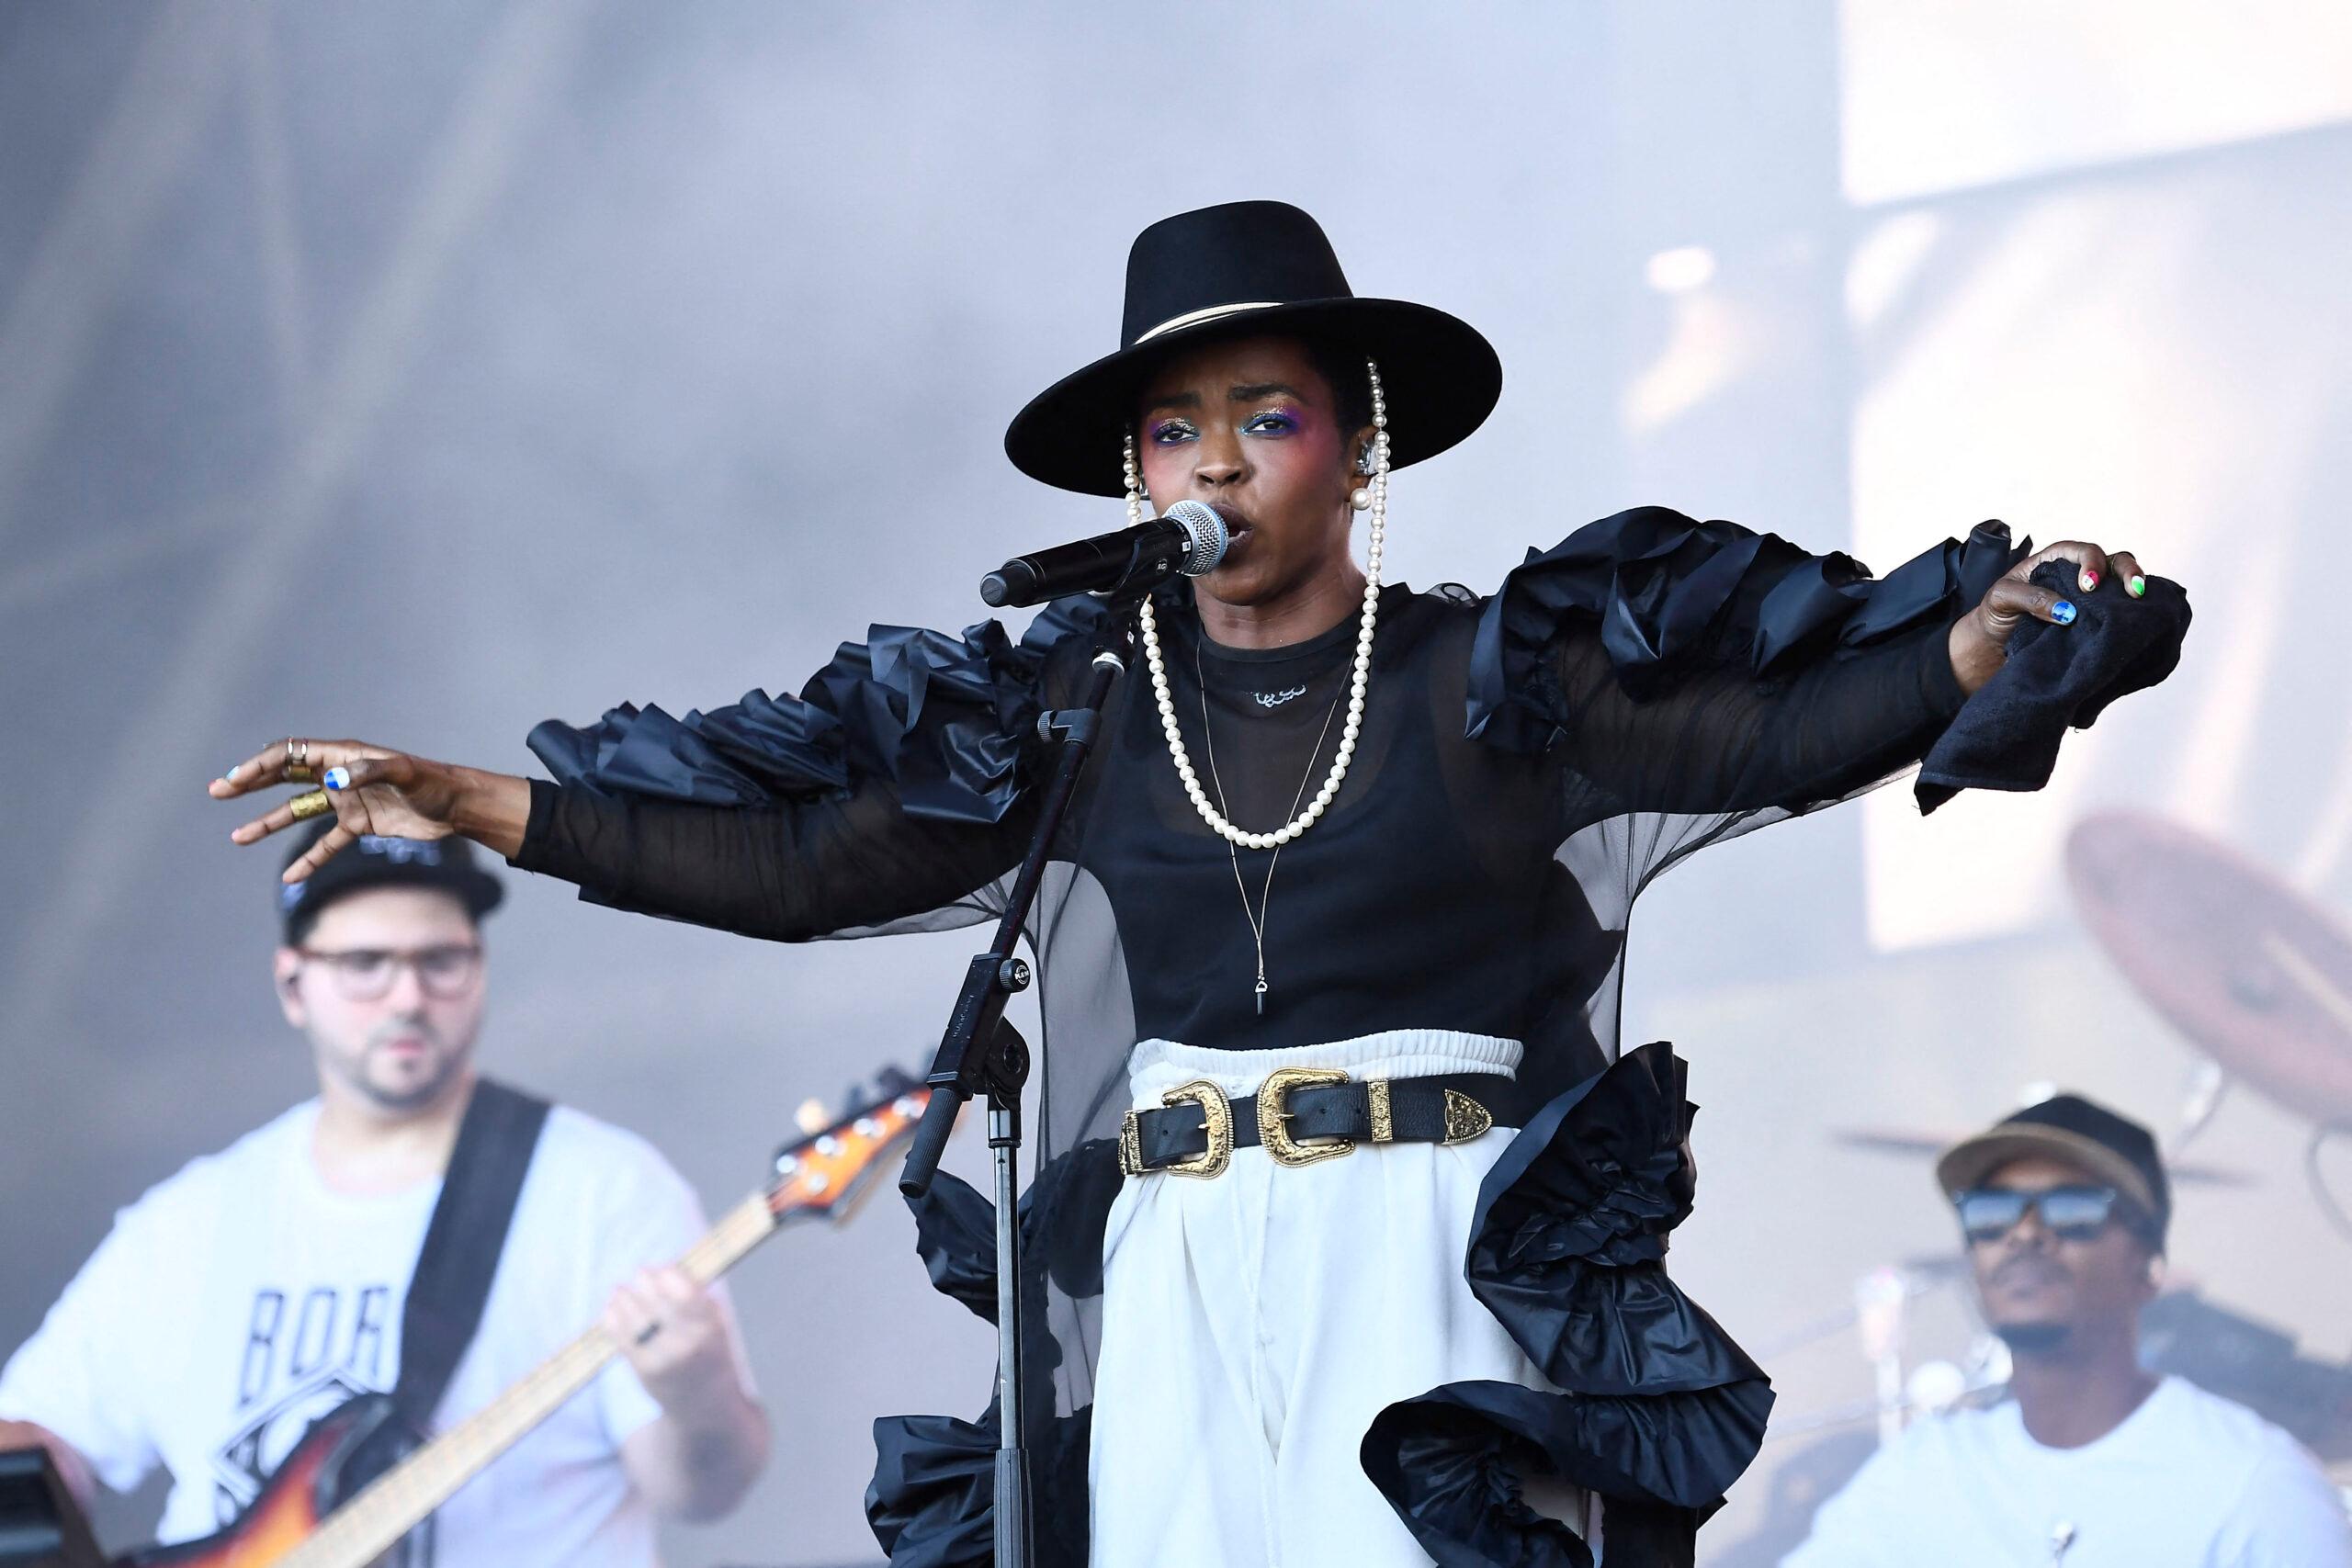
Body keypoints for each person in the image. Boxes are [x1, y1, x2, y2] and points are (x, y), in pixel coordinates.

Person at [206, 202, 2184, 1566]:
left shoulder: (1490, 676)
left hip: (1427, 1260)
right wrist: (467, 799)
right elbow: (806, 859)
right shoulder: (1071, 709)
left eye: (1264, 414)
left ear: (1353, 444)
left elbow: (1765, 737)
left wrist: (1957, 658)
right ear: (1132, 475)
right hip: (1169, 1273)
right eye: (1175, 430)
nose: (1215, 460)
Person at [0, 826, 770, 1566]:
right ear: (293, 983)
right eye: (366, 961)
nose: (407, 995)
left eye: (441, 960)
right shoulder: (190, 1221)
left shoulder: (604, 1190)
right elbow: (43, 1442)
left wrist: (694, 1387)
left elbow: (702, 1492)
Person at [1783, 1094, 2352, 1565]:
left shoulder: (2258, 1488)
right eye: (1989, 1214)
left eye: (2072, 1210)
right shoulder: (1924, 1471)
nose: (2023, 1235)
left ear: (2150, 1269)